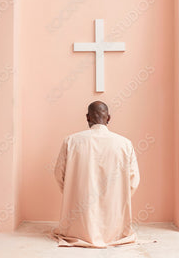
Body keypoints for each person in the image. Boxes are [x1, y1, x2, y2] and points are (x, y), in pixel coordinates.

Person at [52, 101, 140, 248]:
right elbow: (134, 180)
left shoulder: (71, 141)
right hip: (115, 223)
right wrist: (118, 198)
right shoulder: (125, 143)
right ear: (109, 118)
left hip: (78, 221)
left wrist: (72, 193)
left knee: (76, 225)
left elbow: (58, 174)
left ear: (87, 117)